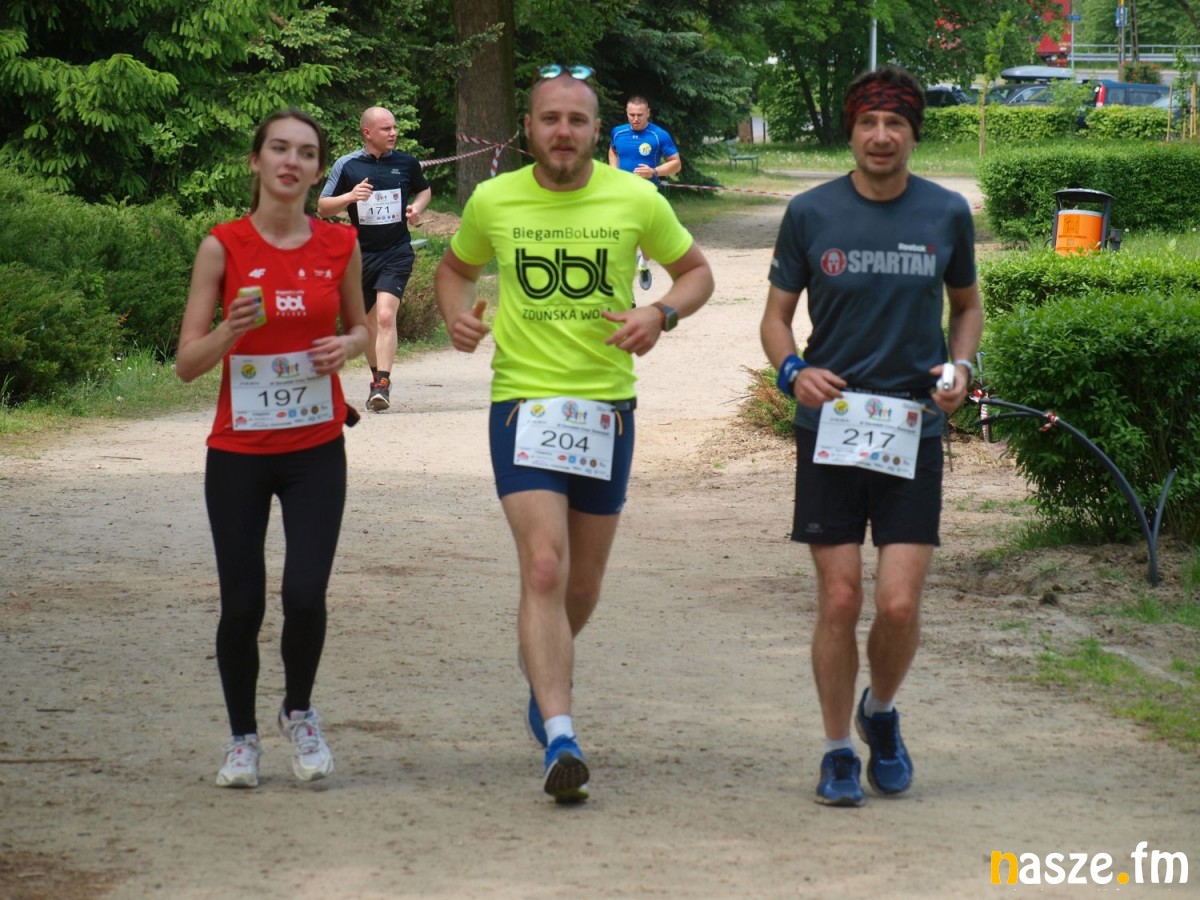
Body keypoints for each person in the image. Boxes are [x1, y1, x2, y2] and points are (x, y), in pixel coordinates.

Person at [435, 64, 714, 804]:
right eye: (550, 118)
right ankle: (561, 735)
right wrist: (456, 315)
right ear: (527, 128)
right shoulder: (494, 199)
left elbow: (696, 273)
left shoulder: (636, 197)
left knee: (581, 586)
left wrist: (660, 313)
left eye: (577, 120)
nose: (563, 131)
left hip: (605, 410)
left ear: (598, 132)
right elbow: (454, 270)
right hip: (523, 404)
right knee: (545, 569)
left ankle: (542, 667)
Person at [759, 66, 983, 808]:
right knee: (838, 598)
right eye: (868, 124)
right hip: (832, 427)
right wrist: (793, 371)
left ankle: (879, 713)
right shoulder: (810, 212)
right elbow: (776, 318)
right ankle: (835, 751)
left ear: (913, 134)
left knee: (897, 604)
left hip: (911, 428)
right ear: (850, 132)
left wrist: (961, 368)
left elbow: (966, 307)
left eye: (895, 125)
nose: (881, 137)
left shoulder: (945, 212)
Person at [176, 109, 369, 789]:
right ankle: (242, 740)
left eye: (306, 153)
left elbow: (363, 329)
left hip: (315, 448)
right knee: (242, 604)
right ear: (256, 162)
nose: (292, 161)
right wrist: (229, 330)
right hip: (239, 452)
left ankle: (299, 711)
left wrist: (347, 346)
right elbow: (187, 364)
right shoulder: (222, 247)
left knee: (306, 594)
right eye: (279, 149)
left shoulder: (339, 244)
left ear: (319, 172)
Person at [319, 106, 432, 412]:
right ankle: (376, 382)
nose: (393, 133)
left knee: (384, 316)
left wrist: (417, 208)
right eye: (386, 129)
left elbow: (424, 191)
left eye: (394, 127)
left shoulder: (406, 163)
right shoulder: (348, 165)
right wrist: (350, 196)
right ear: (367, 133)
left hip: (396, 251)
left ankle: (382, 384)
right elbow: (323, 207)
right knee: (368, 323)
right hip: (361, 256)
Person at [607, 95, 682, 291]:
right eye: (631, 114)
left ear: (648, 113)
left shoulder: (659, 135)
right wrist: (614, 170)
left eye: (640, 115)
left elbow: (676, 164)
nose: (635, 119)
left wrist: (654, 171)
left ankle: (643, 263)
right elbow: (613, 150)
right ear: (626, 113)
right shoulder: (618, 132)